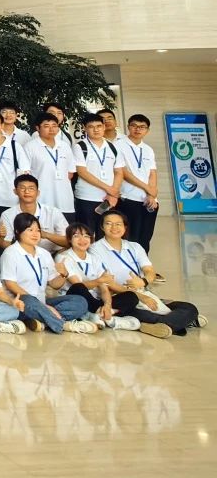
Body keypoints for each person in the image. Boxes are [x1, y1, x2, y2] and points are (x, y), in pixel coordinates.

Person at [94, 209, 205, 337]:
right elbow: (106, 283)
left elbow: (150, 271)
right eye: (109, 224)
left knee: (189, 307)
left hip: (142, 291)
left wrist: (143, 281)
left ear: (125, 227)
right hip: (120, 298)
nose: (114, 227)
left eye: (118, 224)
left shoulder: (134, 247)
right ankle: (182, 322)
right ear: (102, 227)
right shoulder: (95, 250)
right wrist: (140, 296)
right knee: (139, 310)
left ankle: (162, 324)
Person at [0, 213, 95, 333]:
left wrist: (63, 274)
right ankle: (63, 324)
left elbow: (54, 284)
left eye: (38, 230)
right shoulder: (10, 253)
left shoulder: (44, 254)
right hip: (20, 301)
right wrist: (43, 306)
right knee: (29, 301)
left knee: (80, 301)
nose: (35, 234)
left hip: (42, 302)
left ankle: (41, 319)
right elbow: (10, 284)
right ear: (18, 231)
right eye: (30, 230)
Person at [55, 222, 143, 332]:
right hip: (76, 298)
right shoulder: (63, 257)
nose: (82, 240)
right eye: (76, 236)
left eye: (86, 236)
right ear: (69, 239)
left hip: (95, 300)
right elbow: (78, 284)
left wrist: (107, 304)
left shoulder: (94, 259)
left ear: (91, 239)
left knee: (131, 296)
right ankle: (110, 317)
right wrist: (99, 280)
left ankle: (103, 313)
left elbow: (104, 288)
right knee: (78, 287)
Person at [74, 112, 124, 234]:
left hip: (109, 199)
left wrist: (113, 193)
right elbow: (82, 172)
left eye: (99, 126)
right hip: (87, 197)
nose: (96, 130)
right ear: (85, 128)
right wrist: (109, 189)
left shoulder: (113, 147)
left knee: (106, 233)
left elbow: (119, 171)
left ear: (104, 127)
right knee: (87, 234)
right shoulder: (80, 147)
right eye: (91, 127)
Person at [120, 114, 161, 255]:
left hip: (149, 200)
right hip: (129, 197)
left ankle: (144, 265)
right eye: (134, 126)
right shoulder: (118, 145)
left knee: (145, 238)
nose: (138, 129)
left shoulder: (148, 149)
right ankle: (129, 265)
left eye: (142, 127)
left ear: (147, 130)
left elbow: (152, 173)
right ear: (128, 127)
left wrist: (151, 194)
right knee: (130, 237)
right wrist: (147, 188)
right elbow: (123, 172)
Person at [0, 174, 68, 252]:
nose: (27, 191)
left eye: (31, 188)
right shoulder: (7, 215)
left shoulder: (53, 212)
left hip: (52, 253)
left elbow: (68, 241)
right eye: (22, 188)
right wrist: (2, 238)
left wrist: (46, 235)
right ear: (15, 191)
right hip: (23, 255)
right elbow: (6, 244)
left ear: (38, 192)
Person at [24, 113, 77, 215]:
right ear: (37, 128)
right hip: (42, 199)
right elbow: (26, 174)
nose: (51, 129)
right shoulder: (30, 147)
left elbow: (70, 173)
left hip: (64, 200)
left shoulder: (65, 146)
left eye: (54, 126)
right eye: (46, 126)